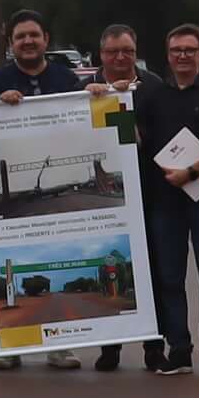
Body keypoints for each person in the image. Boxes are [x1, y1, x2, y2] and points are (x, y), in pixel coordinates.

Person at [130, 23, 199, 375]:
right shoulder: (153, 96)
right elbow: (137, 138)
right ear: (168, 54)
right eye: (177, 50)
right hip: (165, 203)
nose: (183, 56)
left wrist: (191, 172)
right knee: (170, 280)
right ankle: (179, 350)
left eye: (190, 50)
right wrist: (109, 101)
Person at [79, 24, 146, 372]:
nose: (121, 57)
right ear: (100, 55)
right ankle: (109, 349)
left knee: (154, 275)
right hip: (106, 212)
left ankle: (156, 347)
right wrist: (99, 97)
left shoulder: (154, 87)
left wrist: (125, 105)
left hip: (148, 197)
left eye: (128, 51)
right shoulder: (81, 91)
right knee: (107, 273)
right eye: (112, 52)